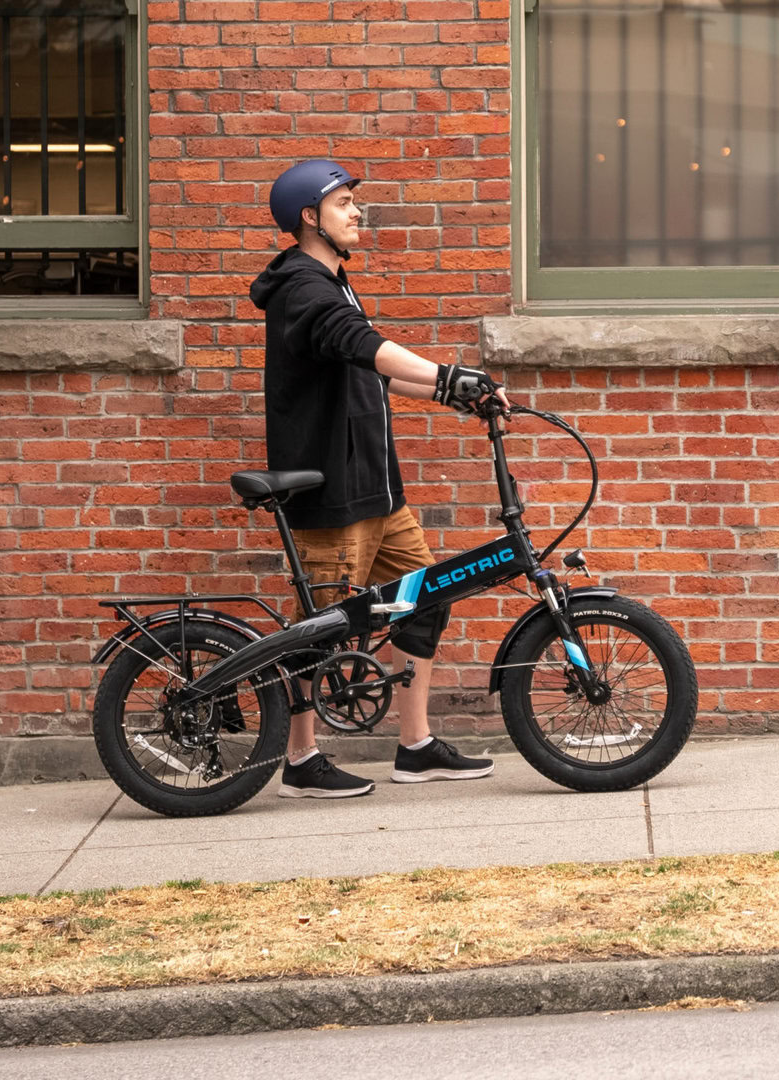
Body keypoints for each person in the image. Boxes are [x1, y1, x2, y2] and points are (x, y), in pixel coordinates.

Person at [247, 159, 508, 799]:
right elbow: (362, 344)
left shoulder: (333, 282)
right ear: (309, 218)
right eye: (343, 204)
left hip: (378, 491)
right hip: (332, 493)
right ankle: (301, 760)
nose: (357, 212)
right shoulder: (304, 288)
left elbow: (370, 370)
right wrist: (447, 373)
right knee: (323, 627)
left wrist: (452, 394)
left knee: (425, 600)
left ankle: (415, 746)